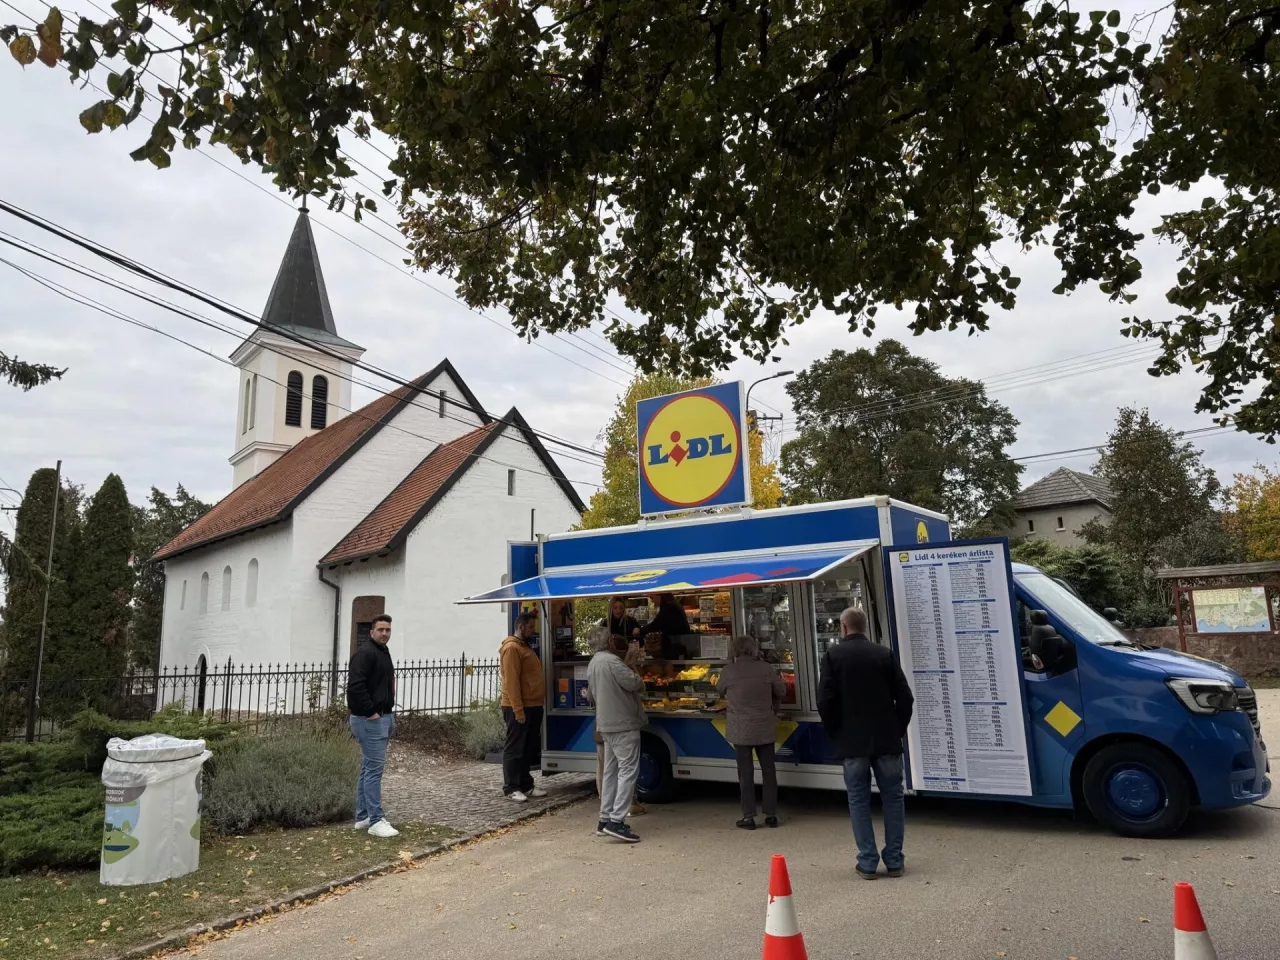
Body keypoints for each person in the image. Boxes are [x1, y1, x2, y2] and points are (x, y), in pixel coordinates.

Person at [817, 607, 914, 880]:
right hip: (886, 739)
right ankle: (894, 860)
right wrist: (897, 729)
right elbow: (905, 697)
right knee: (893, 798)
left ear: (843, 627)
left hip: (852, 743)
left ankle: (868, 861)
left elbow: (825, 700)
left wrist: (836, 732)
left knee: (858, 799)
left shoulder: (833, 656)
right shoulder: (884, 654)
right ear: (865, 626)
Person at [717, 634, 786, 830]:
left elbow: (720, 690)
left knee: (745, 774)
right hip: (764, 726)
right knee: (769, 771)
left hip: (741, 729)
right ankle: (771, 814)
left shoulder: (728, 671)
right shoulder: (766, 668)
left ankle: (748, 817)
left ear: (735, 650)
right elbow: (781, 691)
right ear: (753, 649)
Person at [585, 625, 645, 843]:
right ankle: (617, 821)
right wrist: (632, 666)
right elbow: (635, 683)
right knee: (628, 771)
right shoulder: (612, 662)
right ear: (609, 641)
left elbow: (590, 696)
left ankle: (604, 819)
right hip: (623, 723)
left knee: (610, 772)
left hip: (606, 724)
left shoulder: (593, 663)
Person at [347, 613, 399, 838]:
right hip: (369, 720)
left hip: (382, 716)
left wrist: (388, 712)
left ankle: (363, 817)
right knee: (374, 771)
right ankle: (376, 820)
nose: (384, 633)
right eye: (381, 630)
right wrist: (372, 712)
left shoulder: (382, 652)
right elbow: (355, 687)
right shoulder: (365, 654)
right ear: (371, 632)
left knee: (368, 769)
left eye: (388, 630)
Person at [500, 612, 547, 802]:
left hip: (533, 704)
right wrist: (518, 710)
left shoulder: (524, 646)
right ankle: (511, 787)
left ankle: (526, 784)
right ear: (520, 627)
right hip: (518, 706)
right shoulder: (511, 648)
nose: (533, 631)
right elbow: (511, 682)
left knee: (527, 748)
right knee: (515, 747)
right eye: (530, 627)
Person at [644, 593, 693, 660]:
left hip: (676, 648)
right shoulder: (672, 605)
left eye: (652, 598)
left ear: (660, 596)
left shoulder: (669, 607)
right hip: (679, 646)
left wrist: (640, 631)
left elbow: (656, 624)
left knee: (675, 664)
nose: (652, 601)